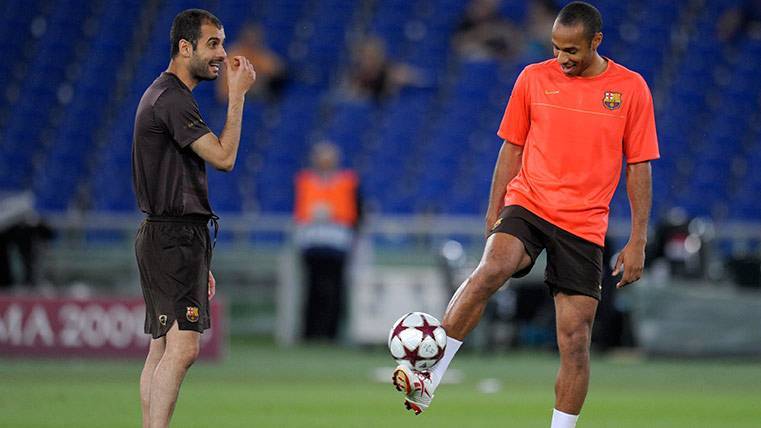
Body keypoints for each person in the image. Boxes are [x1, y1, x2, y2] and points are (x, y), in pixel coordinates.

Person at [392, 2, 659, 427]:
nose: (563, 58)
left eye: (572, 50)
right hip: (530, 201)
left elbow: (639, 165)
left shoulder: (630, 88)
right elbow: (511, 146)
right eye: (556, 48)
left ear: (596, 41)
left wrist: (639, 239)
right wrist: (494, 207)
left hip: (584, 223)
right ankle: (428, 374)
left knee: (574, 341)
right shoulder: (534, 78)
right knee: (492, 267)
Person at [131, 9, 255, 428]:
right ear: (185, 48)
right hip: (173, 237)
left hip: (170, 235)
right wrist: (236, 96)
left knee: (163, 347)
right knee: (182, 349)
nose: (222, 54)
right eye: (213, 44)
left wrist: (199, 258)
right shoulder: (172, 99)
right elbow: (224, 157)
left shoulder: (164, 94)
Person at [293, 142, 361, 340]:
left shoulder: (348, 182)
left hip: (338, 244)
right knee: (312, 289)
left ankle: (331, 333)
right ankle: (310, 333)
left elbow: (356, 213)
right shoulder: (306, 181)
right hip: (312, 244)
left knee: (335, 290)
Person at [214, 23, 287, 103]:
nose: (252, 43)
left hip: (258, 98)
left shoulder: (260, 55)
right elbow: (223, 91)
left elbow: (277, 70)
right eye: (249, 40)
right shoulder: (232, 56)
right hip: (234, 98)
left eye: (256, 40)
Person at [452, 0, 520, 61]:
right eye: (481, 5)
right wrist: (480, 34)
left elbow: (508, 35)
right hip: (476, 54)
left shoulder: (496, 19)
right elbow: (458, 42)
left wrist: (492, 34)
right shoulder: (467, 22)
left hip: (497, 54)